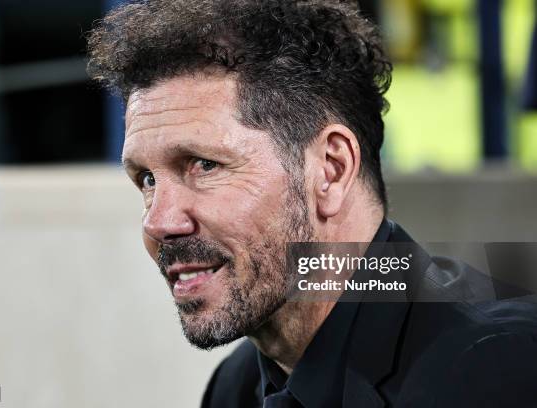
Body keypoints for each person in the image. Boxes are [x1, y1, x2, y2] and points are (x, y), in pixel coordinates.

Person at [86, 1, 537, 406]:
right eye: (146, 178)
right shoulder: (234, 387)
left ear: (331, 170)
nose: (159, 222)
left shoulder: (497, 366)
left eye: (204, 165)